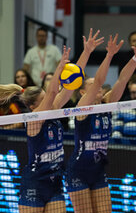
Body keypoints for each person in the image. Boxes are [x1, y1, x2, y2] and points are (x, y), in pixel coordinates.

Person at [0, 28, 103, 212]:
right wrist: (59, 67)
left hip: (55, 183)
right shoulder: (34, 121)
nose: (49, 99)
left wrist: (86, 52)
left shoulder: (54, 109)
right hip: (34, 185)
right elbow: (54, 91)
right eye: (44, 99)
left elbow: (72, 83)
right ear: (33, 108)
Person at [66, 33, 136, 213]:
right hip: (78, 172)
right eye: (90, 86)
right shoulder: (81, 107)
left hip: (98, 171)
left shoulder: (107, 103)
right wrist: (109, 55)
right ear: (82, 92)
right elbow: (99, 81)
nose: (98, 88)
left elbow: (122, 80)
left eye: (97, 87)